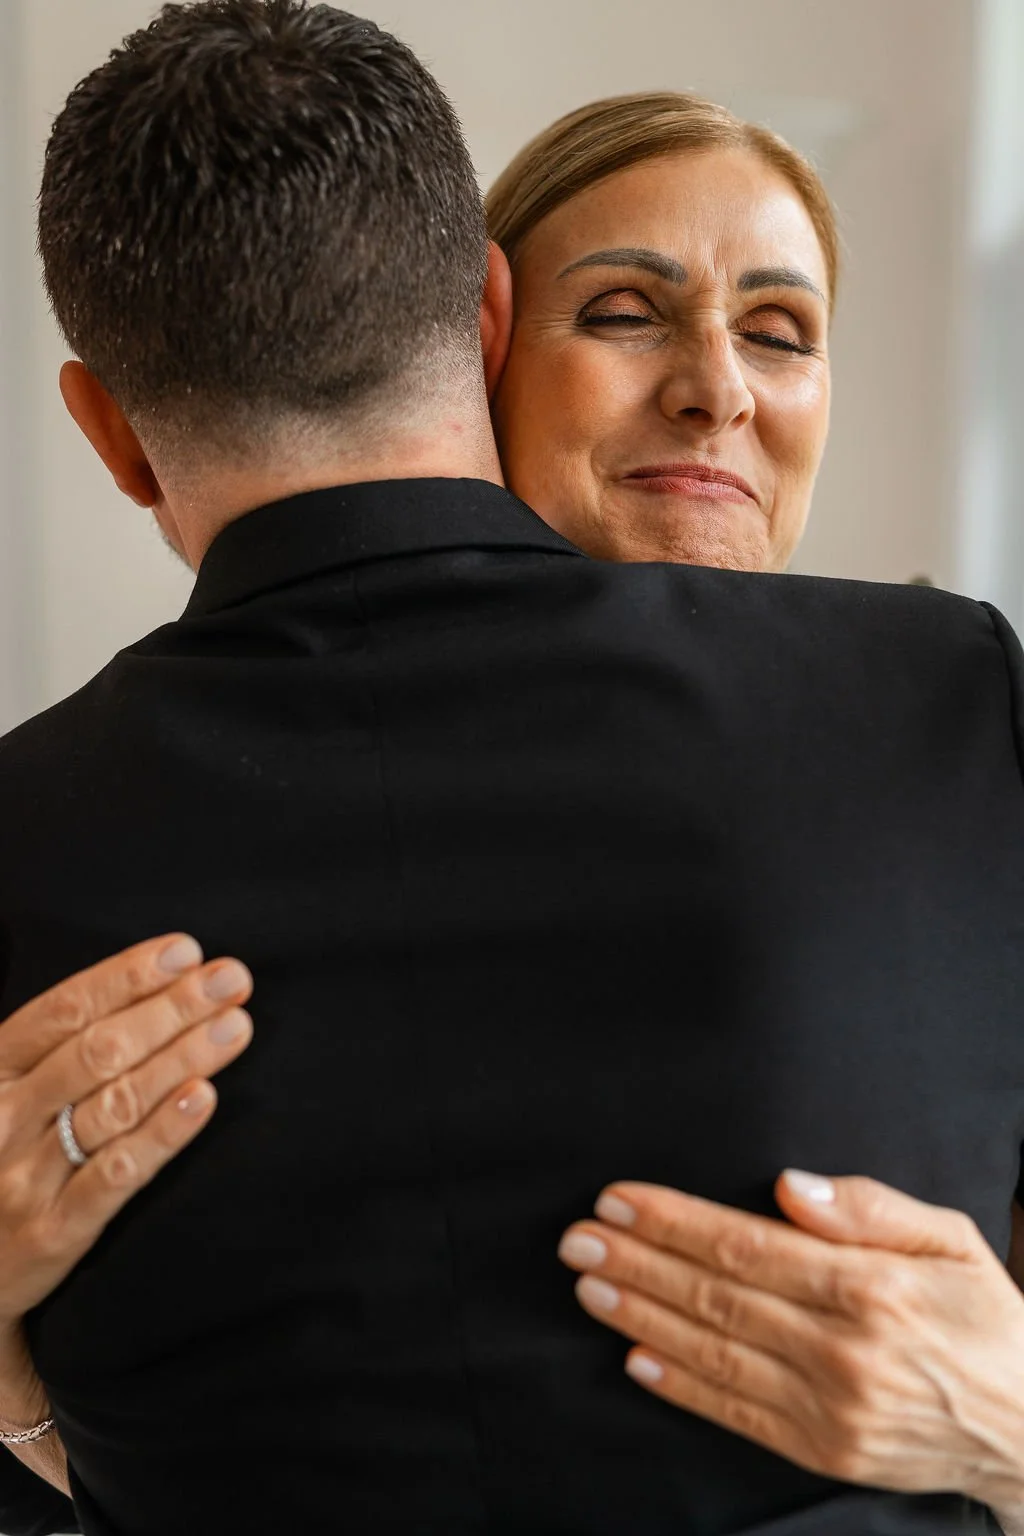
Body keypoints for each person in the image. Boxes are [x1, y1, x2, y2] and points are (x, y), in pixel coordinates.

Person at [1, 3, 1024, 1533]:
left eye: (781, 330)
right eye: (620, 311)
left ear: (108, 427)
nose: (716, 391)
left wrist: (1006, 1416)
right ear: (485, 333)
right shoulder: (947, 697)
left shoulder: (946, 726)